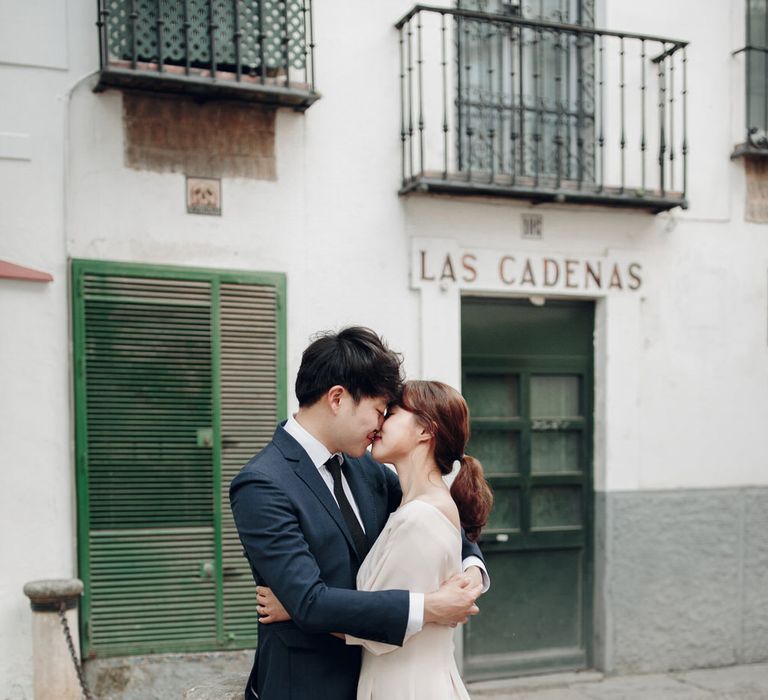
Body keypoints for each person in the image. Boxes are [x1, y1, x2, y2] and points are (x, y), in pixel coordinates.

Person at [229, 327, 488, 700]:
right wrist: (428, 607)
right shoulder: (262, 483)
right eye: (379, 411)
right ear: (338, 399)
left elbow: (441, 522)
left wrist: (472, 572)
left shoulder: (368, 469)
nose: (380, 425)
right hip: (308, 687)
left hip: (382, 679)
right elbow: (310, 602)